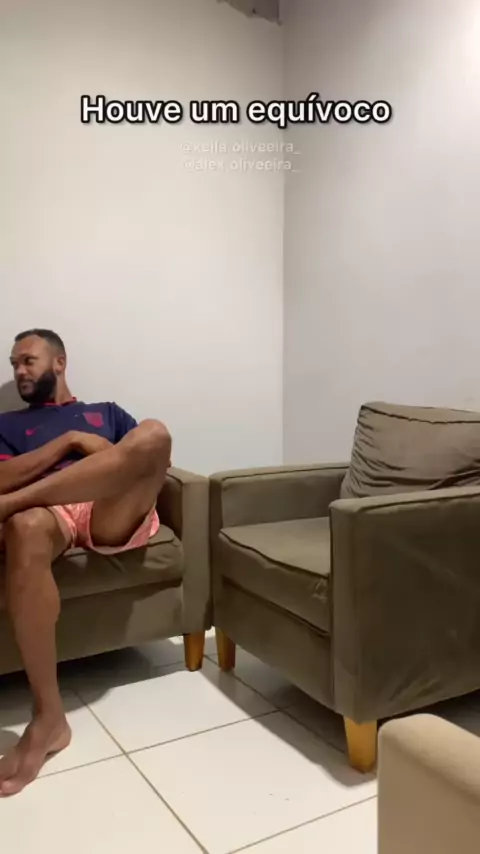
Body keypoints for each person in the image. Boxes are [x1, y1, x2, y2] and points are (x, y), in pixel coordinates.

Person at [0, 329, 172, 796]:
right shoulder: (8, 424)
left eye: (28, 360)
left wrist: (88, 440)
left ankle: (17, 505)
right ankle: (49, 717)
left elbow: (138, 461)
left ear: (59, 362)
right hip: (48, 514)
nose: (19, 370)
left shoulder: (107, 413)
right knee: (24, 526)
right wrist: (66, 444)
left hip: (108, 507)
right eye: (14, 363)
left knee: (154, 433)